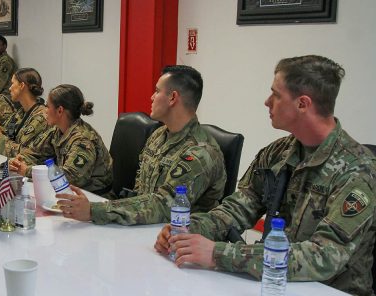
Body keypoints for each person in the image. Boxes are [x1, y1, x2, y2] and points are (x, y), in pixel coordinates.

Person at [154, 55, 376, 296]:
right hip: (272, 284)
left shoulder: (358, 169)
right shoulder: (278, 153)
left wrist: (219, 254)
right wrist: (187, 230)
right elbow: (237, 209)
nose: (267, 102)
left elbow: (324, 256)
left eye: (276, 95)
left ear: (303, 104)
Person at [53, 65, 226, 225]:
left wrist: (95, 210)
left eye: (157, 91)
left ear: (173, 97)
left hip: (179, 240)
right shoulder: (159, 135)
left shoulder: (199, 152)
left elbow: (164, 205)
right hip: (145, 227)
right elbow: (140, 187)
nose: (152, 97)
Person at [9, 84, 113, 195]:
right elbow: (36, 153)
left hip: (95, 197)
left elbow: (71, 177)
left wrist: (28, 171)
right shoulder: (57, 130)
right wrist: (19, 162)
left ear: (59, 111)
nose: (45, 111)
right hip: (70, 192)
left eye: (48, 107)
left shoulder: (83, 140)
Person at [0, 68, 48, 157]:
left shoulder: (42, 117)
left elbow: (26, 154)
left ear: (22, 86)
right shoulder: (21, 113)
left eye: (13, 83)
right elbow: (8, 134)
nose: (10, 88)